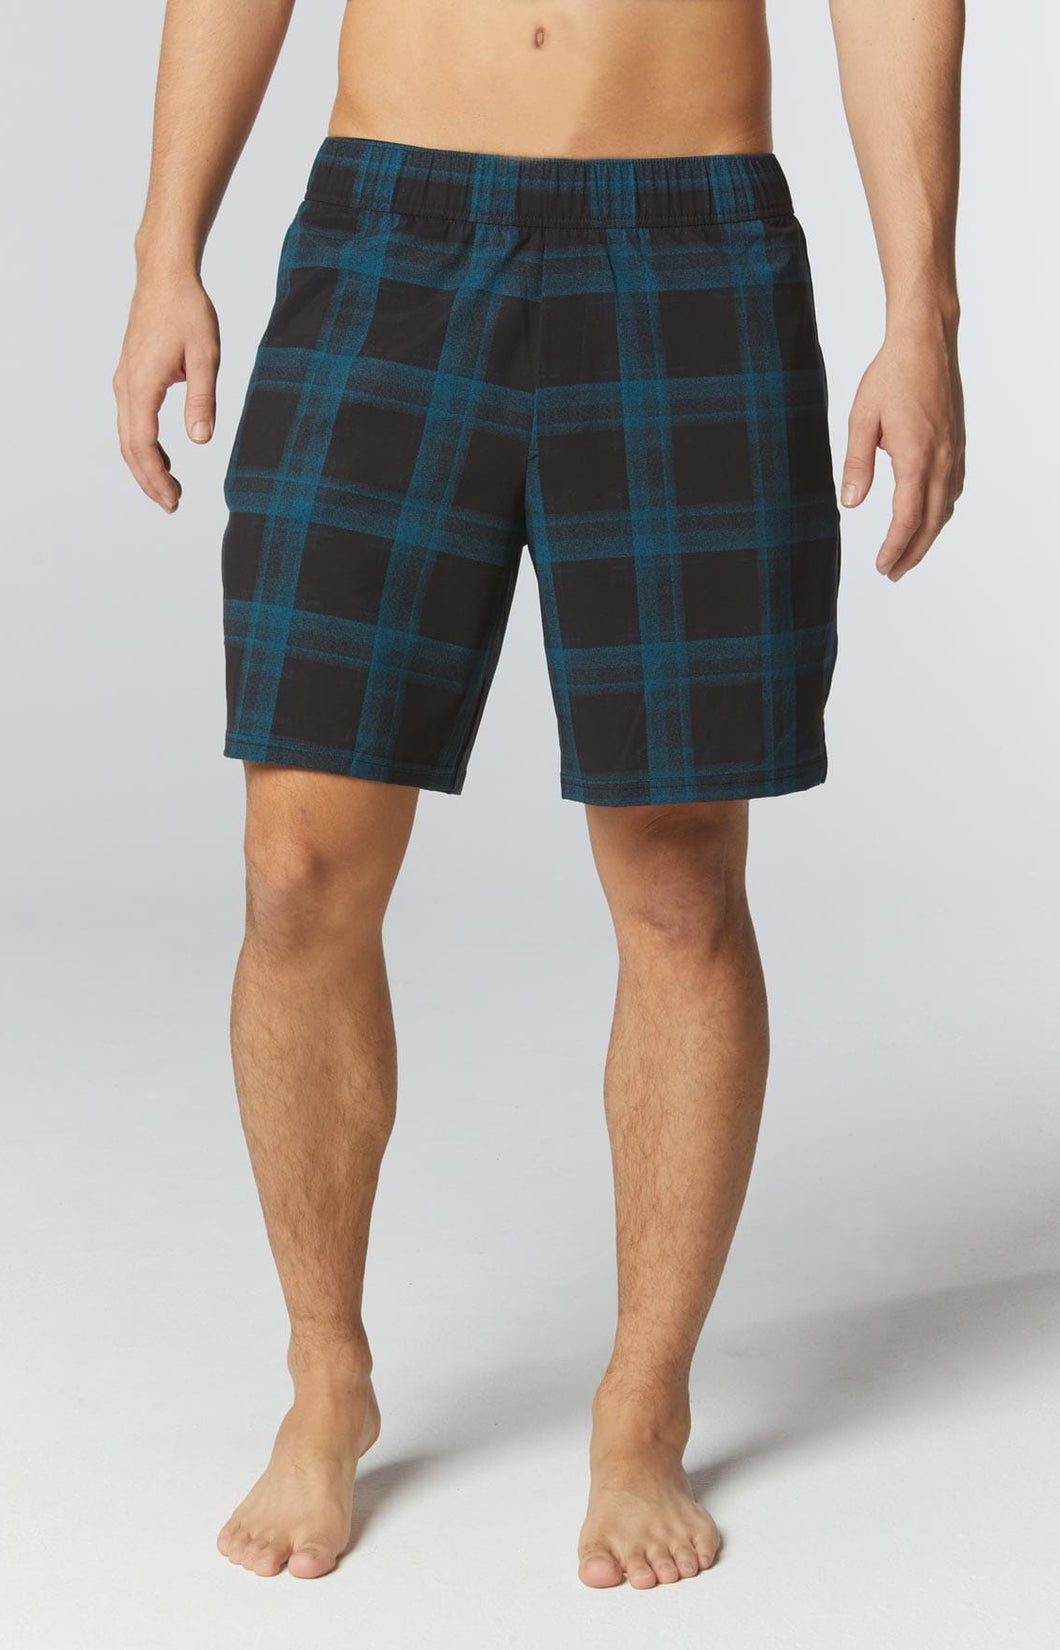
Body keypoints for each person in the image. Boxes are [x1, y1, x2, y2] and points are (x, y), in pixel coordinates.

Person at [114, 0, 965, 1590]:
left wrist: (923, 309)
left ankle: (643, 1409)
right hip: (392, 229)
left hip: (687, 241)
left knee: (681, 882)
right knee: (297, 864)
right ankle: (326, 1373)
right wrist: (169, 246)